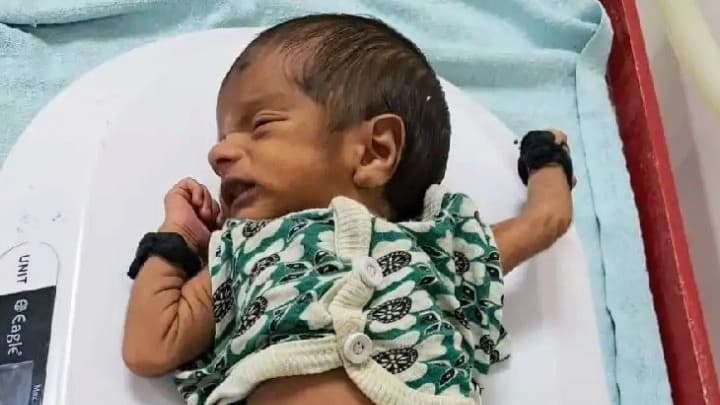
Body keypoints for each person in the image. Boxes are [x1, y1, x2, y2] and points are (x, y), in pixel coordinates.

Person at [122, 13, 574, 405]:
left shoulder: (439, 247)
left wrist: (546, 158)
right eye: (223, 137)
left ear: (374, 152)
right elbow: (151, 346)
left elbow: (545, 221)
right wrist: (178, 239)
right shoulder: (244, 253)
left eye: (260, 125)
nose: (218, 153)